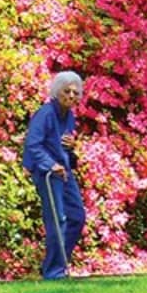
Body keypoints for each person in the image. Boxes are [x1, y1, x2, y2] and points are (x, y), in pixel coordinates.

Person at [23, 71, 87, 280]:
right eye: (67, 91)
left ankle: (55, 263)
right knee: (57, 219)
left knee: (77, 217)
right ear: (56, 92)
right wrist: (51, 165)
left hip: (64, 171)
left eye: (75, 93)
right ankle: (54, 272)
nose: (71, 96)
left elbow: (62, 146)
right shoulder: (46, 113)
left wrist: (72, 148)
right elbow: (33, 143)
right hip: (48, 172)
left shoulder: (68, 116)